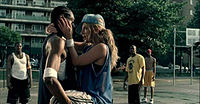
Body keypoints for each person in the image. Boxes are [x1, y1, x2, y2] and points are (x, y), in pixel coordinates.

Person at [52, 13, 119, 103]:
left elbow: (76, 61)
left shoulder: (101, 48)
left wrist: (69, 37)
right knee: (58, 96)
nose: (82, 32)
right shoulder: (88, 46)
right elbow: (72, 44)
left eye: (85, 28)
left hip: (96, 98)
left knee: (57, 99)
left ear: (96, 29)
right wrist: (57, 33)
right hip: (86, 95)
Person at [38, 6, 77, 104]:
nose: (73, 26)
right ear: (62, 19)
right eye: (71, 22)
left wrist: (69, 38)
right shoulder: (57, 42)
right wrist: (67, 102)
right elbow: (49, 79)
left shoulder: (58, 40)